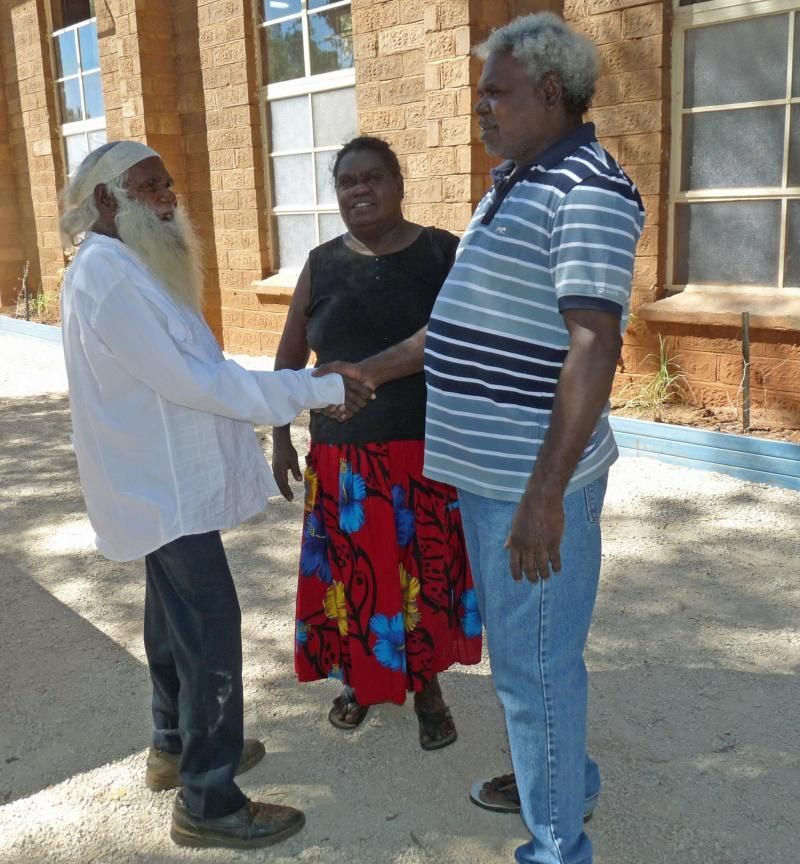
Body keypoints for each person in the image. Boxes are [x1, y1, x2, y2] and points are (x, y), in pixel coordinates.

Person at [59, 141, 370, 850]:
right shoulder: (109, 278)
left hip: (156, 485)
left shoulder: (125, 265)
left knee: (172, 622)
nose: (168, 198)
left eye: (169, 183)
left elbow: (199, 370)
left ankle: (174, 746)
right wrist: (318, 388)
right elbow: (199, 383)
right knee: (208, 632)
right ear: (107, 203)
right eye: (149, 188)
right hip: (158, 486)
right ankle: (209, 797)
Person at [421, 14, 645, 864]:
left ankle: (558, 846)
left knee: (534, 667)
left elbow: (595, 343)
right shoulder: (517, 177)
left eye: (495, 93)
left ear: (550, 94)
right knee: (533, 656)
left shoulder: (584, 189)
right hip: (492, 473)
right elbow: (471, 316)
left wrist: (544, 496)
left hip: (526, 481)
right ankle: (565, 776)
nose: (480, 107)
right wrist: (369, 366)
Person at [272, 136, 481, 750]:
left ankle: (430, 689)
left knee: (425, 576)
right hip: (344, 461)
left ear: (398, 182)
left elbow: (465, 344)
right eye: (346, 183)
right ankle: (361, 681)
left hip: (425, 453)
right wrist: (282, 435)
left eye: (372, 178)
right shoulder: (320, 262)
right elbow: (289, 356)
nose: (358, 191)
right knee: (354, 575)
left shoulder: (443, 252)